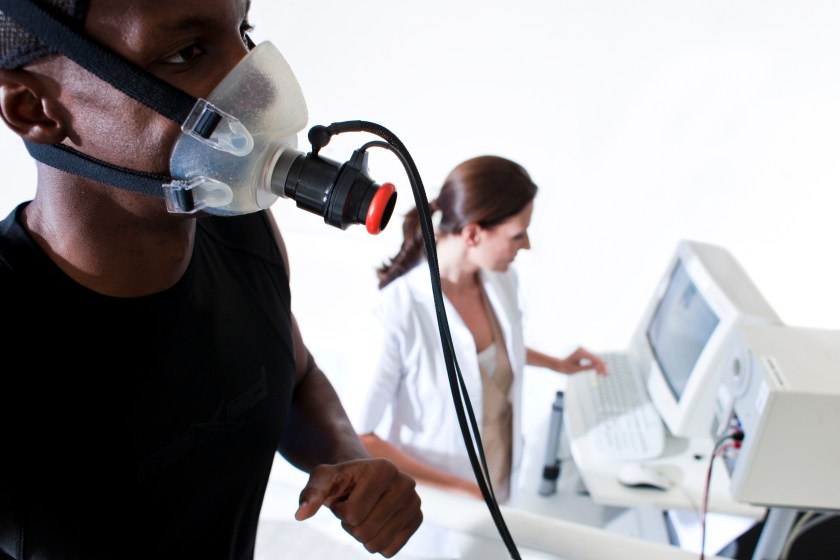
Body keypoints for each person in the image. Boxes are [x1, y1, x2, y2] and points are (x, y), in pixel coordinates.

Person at [0, 1, 422, 559]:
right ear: (35, 108)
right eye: (185, 53)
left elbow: (291, 374)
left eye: (243, 33)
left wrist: (345, 454)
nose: (261, 90)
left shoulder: (245, 236)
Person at [344, 155, 607, 504]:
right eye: (517, 235)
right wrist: (463, 490)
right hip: (439, 504)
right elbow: (359, 436)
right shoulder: (396, 314)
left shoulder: (502, 280)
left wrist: (557, 364)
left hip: (498, 479)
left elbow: (487, 356)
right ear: (472, 234)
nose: (526, 245)